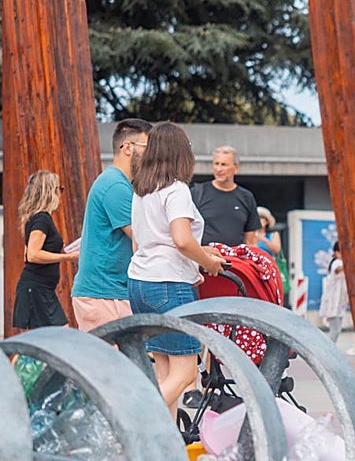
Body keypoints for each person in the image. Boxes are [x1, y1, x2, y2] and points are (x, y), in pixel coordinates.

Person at [128, 122, 226, 411]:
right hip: (169, 285)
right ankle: (131, 423)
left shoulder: (141, 190)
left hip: (140, 282)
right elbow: (182, 240)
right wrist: (208, 262)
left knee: (164, 374)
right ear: (180, 152)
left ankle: (165, 453)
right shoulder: (177, 189)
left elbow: (146, 241)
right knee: (185, 375)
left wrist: (198, 250)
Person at [71, 119, 153, 331]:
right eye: (148, 147)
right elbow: (142, 238)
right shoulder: (115, 185)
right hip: (103, 295)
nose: (153, 155)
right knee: (106, 364)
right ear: (128, 147)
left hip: (110, 293)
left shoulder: (118, 183)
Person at [11, 171, 78, 331]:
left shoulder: (38, 218)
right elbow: (32, 255)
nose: (60, 194)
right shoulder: (41, 219)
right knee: (57, 335)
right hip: (36, 289)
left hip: (41, 289)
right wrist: (68, 257)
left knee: (46, 339)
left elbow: (28, 252)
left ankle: (16, 357)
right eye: (59, 189)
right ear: (50, 191)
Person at [192, 146, 258, 247]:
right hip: (204, 260)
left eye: (224, 165)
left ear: (236, 168)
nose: (219, 169)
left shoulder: (246, 197)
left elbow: (251, 242)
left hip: (236, 261)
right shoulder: (197, 193)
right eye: (216, 164)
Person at [320, 241, 348, 344]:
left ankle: (328, 350)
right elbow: (337, 269)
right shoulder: (337, 262)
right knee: (335, 331)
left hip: (338, 303)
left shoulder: (338, 262)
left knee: (336, 330)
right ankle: (327, 351)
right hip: (333, 303)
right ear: (336, 252)